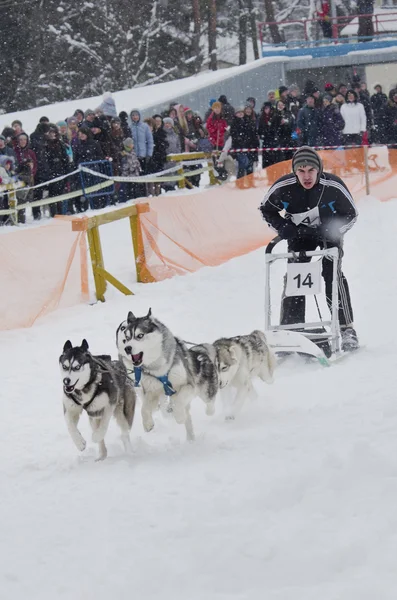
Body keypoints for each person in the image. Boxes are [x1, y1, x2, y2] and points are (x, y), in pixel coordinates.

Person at [259, 146, 359, 352]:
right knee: (297, 274)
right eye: (301, 171)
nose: (306, 176)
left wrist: (333, 229)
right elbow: (266, 209)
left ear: (319, 170)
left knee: (332, 273)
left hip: (329, 233)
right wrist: (282, 226)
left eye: (310, 170)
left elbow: (351, 214)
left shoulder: (333, 186)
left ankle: (346, 328)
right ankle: (292, 328)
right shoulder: (284, 186)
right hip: (299, 235)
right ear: (295, 172)